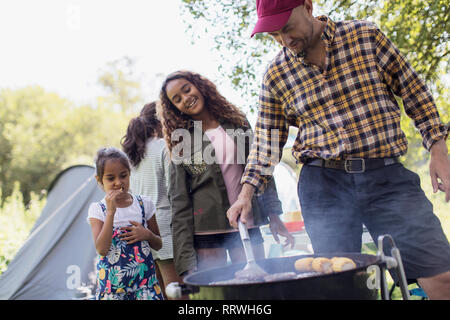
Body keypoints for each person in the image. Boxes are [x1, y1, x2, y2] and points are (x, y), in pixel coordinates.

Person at [227, 0, 450, 299]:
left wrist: (438, 150)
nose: (284, 40)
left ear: (307, 6)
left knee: (442, 273)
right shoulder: (276, 74)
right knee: (339, 285)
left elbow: (414, 90)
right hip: (324, 187)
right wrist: (245, 195)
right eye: (274, 34)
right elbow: (267, 141)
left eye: (287, 28)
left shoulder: (366, 37)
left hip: (386, 177)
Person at [158, 70, 293, 277]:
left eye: (187, 89)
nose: (186, 98)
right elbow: (179, 201)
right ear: (174, 107)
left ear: (199, 86)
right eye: (177, 99)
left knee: (257, 286)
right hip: (206, 230)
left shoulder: (237, 121)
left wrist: (274, 216)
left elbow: (261, 168)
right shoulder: (180, 140)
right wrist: (185, 259)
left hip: (247, 221)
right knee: (216, 292)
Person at [121, 102, 184, 299]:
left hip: (139, 227)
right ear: (162, 121)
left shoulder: (131, 153)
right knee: (176, 290)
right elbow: (175, 191)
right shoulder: (164, 148)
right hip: (164, 227)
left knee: (157, 290)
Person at [87, 147, 164, 300]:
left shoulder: (144, 204)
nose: (118, 183)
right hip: (113, 291)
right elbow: (102, 249)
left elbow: (158, 244)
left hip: (145, 289)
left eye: (123, 176)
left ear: (130, 174)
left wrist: (147, 235)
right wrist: (111, 213)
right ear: (99, 180)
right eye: (110, 178)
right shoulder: (98, 210)